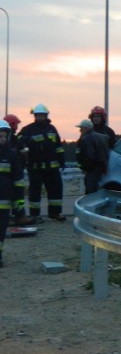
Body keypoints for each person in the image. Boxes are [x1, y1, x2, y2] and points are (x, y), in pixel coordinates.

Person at [16, 104, 66, 222]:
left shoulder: (52, 129)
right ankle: (35, 215)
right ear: (34, 116)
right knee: (35, 192)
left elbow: (58, 146)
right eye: (37, 115)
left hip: (52, 168)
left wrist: (62, 160)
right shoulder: (28, 129)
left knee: (56, 190)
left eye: (41, 115)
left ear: (46, 115)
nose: (39, 117)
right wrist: (29, 140)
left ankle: (55, 213)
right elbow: (19, 140)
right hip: (35, 168)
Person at [0, 119, 25, 267]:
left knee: (0, 232)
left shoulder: (11, 155)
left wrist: (19, 206)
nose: (1, 139)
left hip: (4, 203)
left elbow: (19, 182)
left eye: (3, 136)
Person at [3, 114, 34, 226]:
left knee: (18, 197)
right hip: (9, 174)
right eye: (15, 124)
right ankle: (12, 217)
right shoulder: (8, 138)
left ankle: (20, 215)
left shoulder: (13, 138)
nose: (17, 126)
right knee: (7, 198)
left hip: (17, 172)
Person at [75, 119, 109, 194]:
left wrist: (86, 167)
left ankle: (90, 204)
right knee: (94, 187)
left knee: (91, 189)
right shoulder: (98, 136)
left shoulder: (87, 138)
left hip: (92, 168)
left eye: (81, 128)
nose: (80, 130)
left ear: (86, 128)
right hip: (100, 167)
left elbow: (90, 156)